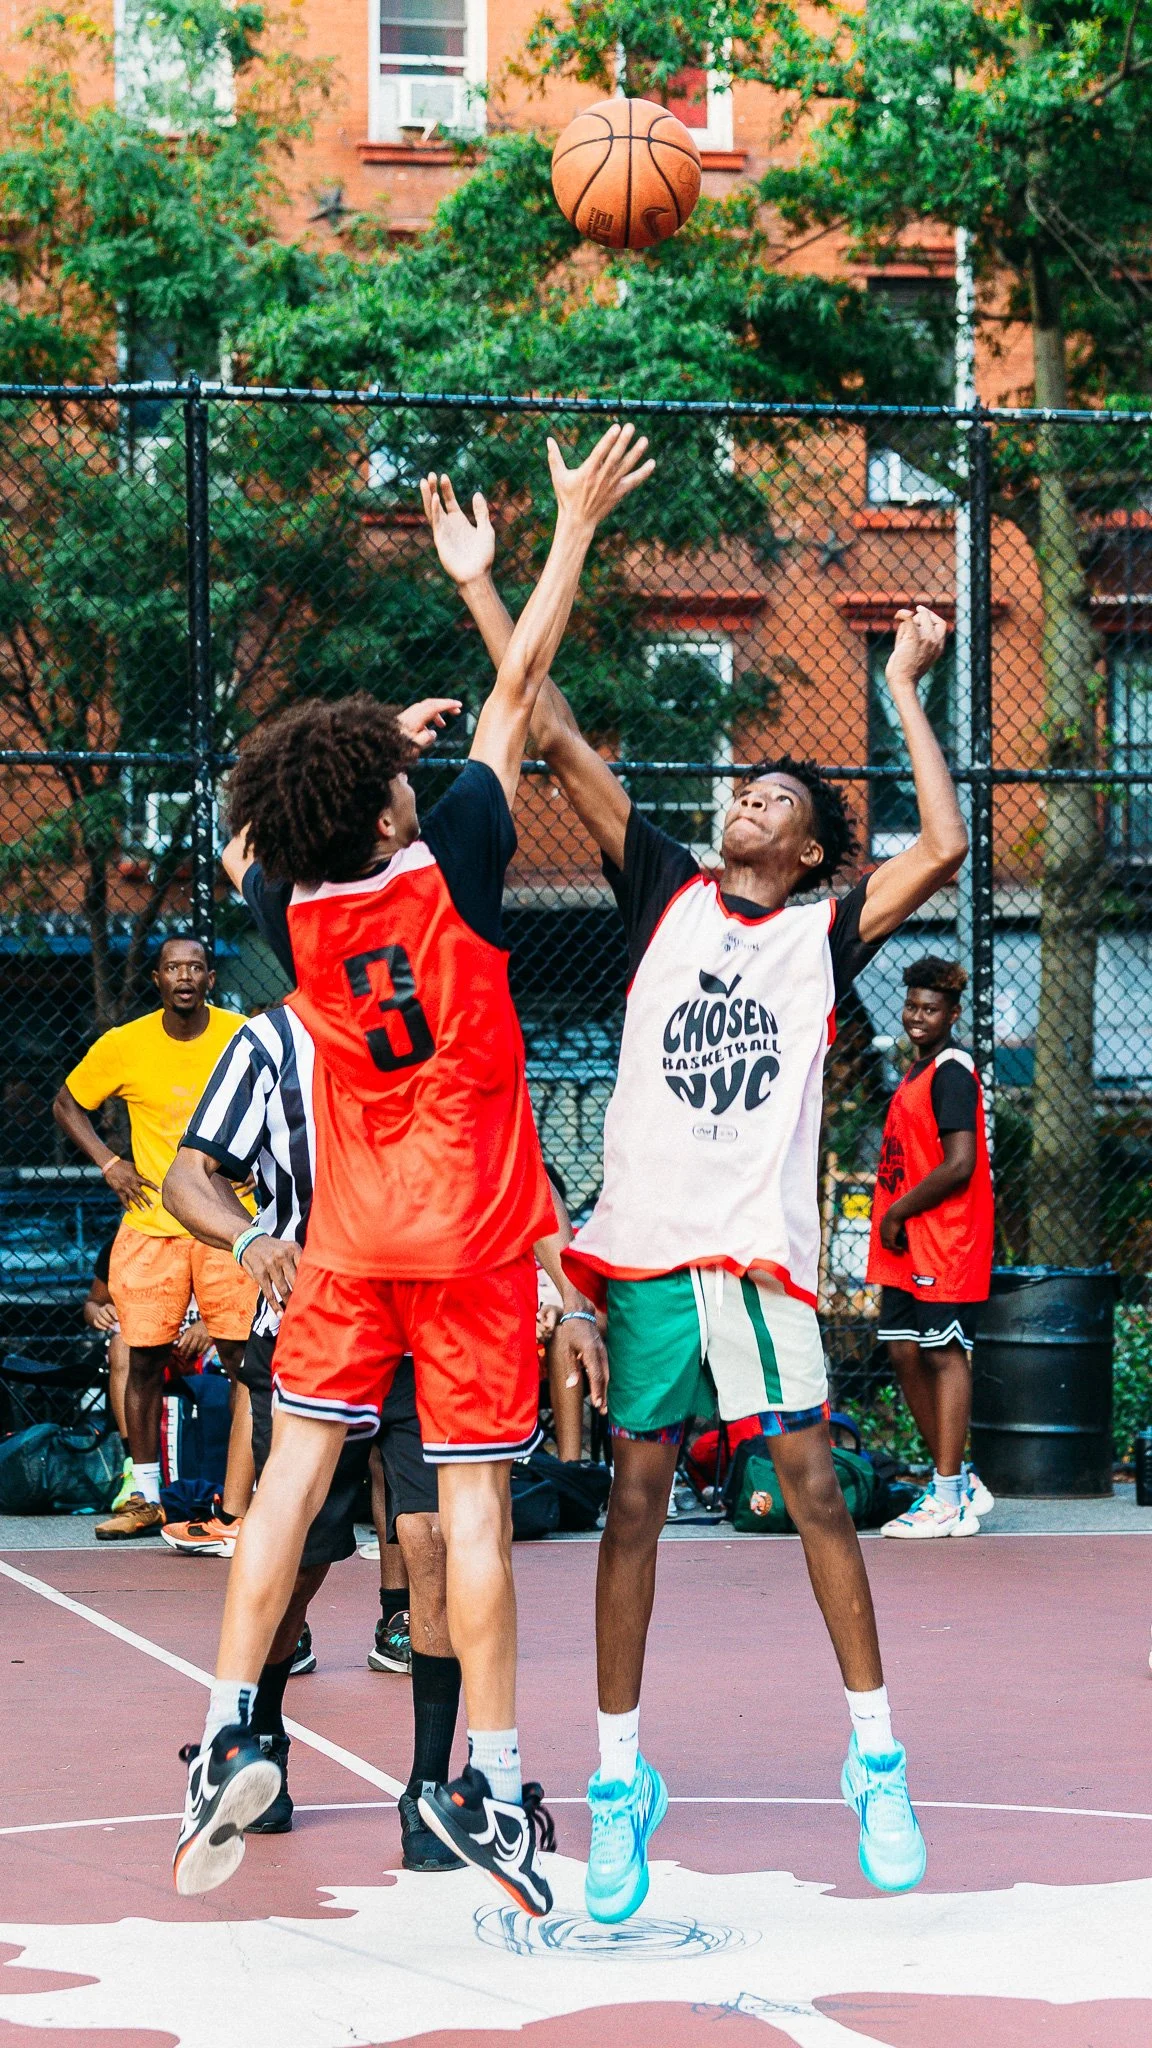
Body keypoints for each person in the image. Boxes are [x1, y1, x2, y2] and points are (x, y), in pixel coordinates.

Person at [424, 472, 966, 1917]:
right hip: (651, 1253)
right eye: (743, 788)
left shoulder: (823, 933)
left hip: (756, 1260)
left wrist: (905, 690)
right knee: (634, 1504)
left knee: (815, 1490)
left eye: (775, 798)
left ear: (808, 851)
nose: (746, 798)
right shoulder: (662, 882)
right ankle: (617, 1782)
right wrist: (483, 581)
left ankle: (876, 1757)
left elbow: (944, 848)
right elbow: (540, 720)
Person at [170, 422, 643, 1907]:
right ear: (392, 809)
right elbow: (522, 681)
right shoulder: (462, 858)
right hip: (474, 1245)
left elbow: (263, 816)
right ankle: (488, 1786)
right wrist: (558, 534)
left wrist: (368, 747)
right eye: (392, 780)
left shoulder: (285, 906)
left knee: (289, 1481)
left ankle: (225, 1728)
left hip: (350, 1241)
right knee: (475, 1515)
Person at [163, 999, 463, 1872]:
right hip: (312, 1324)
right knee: (303, 1552)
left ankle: (428, 1789)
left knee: (433, 1544)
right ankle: (259, 1734)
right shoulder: (271, 1040)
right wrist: (249, 1239)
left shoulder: (437, 1021)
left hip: (425, 1325)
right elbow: (186, 1177)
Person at [53, 939, 258, 1540]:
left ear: (211, 978)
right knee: (141, 1357)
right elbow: (67, 1103)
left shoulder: (241, 1035)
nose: (184, 976)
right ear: (157, 978)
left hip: (228, 1224)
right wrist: (109, 1163)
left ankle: (244, 1502)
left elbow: (284, 1100)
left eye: (195, 967)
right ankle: (144, 1496)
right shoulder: (126, 1043)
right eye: (173, 967)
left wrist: (260, 1159)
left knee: (245, 1361)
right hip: (151, 1225)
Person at [865, 958, 995, 1538]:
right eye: (912, 1006)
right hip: (907, 1241)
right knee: (903, 1350)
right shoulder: (917, 1070)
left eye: (931, 1009)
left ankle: (946, 1498)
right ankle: (959, 1481)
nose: (918, 1017)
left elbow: (960, 1163)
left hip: (944, 1237)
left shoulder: (951, 1071)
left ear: (953, 1014)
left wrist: (898, 1210)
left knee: (944, 1353)